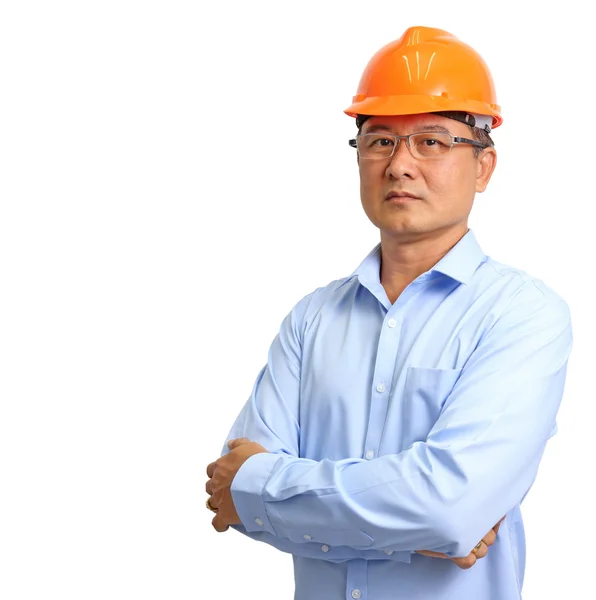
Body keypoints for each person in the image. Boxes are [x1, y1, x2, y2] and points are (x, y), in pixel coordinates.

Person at [204, 25, 573, 599]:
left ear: (483, 167)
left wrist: (271, 494)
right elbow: (230, 498)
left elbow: (450, 507)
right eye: (380, 140)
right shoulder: (312, 320)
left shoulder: (522, 315)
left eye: (431, 141)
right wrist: (421, 522)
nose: (400, 165)